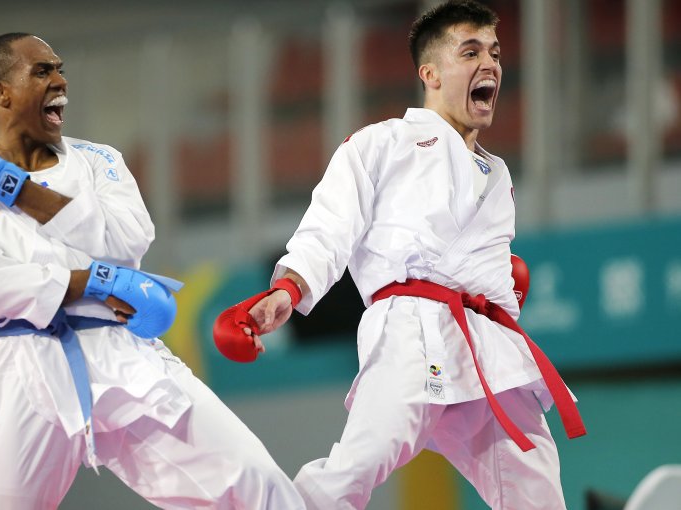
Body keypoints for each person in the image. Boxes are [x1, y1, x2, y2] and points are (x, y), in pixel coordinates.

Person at [213, 2, 585, 509]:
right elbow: (330, 225)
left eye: (495, 53)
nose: (491, 64)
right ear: (429, 73)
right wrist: (290, 287)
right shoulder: (383, 143)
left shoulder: (497, 174)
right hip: (414, 329)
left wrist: (502, 285)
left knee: (535, 488)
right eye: (471, 51)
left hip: (489, 346)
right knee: (362, 462)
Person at [0, 32, 304, 509]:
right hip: (23, 367)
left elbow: (127, 241)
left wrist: (15, 189)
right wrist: (93, 281)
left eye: (60, 69)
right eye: (42, 71)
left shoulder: (98, 160)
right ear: (1, 93)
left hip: (121, 351)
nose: (60, 80)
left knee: (255, 482)